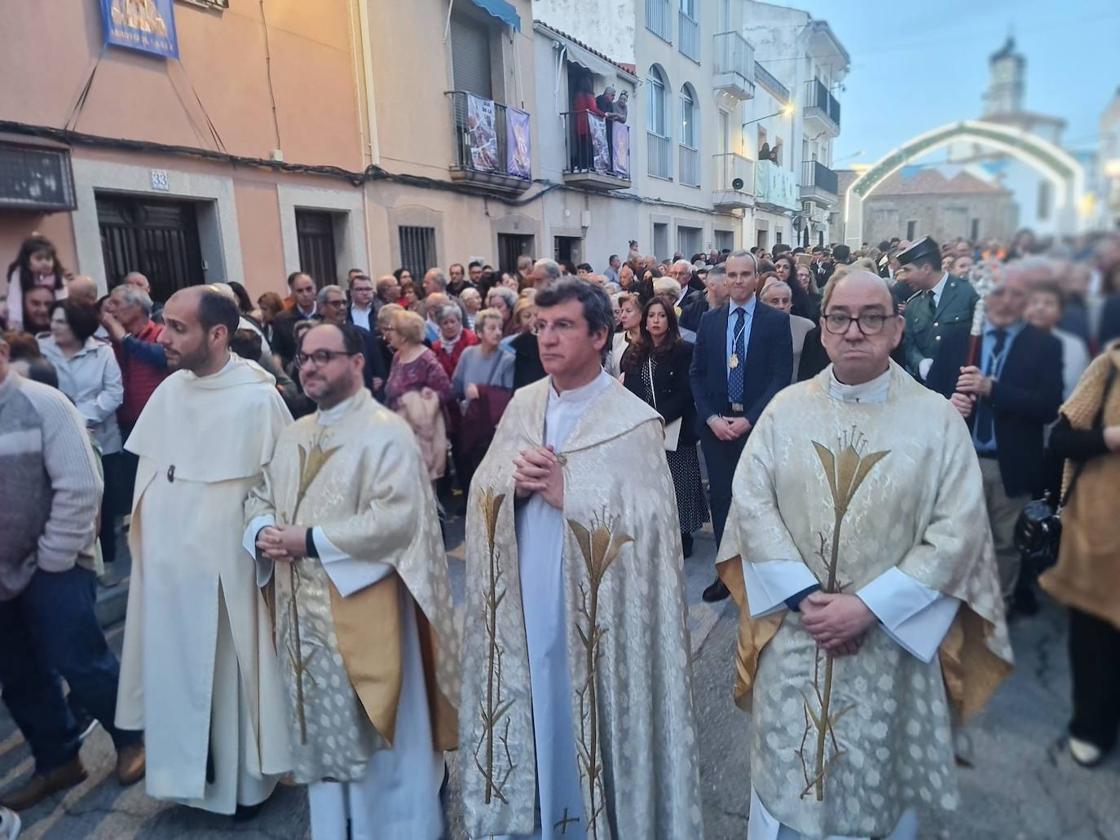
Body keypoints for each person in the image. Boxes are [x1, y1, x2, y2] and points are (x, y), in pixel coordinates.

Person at [715, 270, 1012, 840]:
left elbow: (959, 532)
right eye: (840, 318)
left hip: (887, 645)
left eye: (871, 317)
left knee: (874, 802)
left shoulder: (937, 422)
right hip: (798, 638)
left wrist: (870, 608)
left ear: (897, 328)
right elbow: (751, 505)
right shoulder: (783, 412)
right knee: (787, 798)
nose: (855, 331)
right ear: (822, 331)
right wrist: (806, 600)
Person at [459, 278, 702, 839]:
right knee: (537, 703)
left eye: (563, 326)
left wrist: (572, 496)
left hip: (598, 620)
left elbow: (653, 530)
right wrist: (508, 488)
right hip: (527, 598)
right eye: (540, 326)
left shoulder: (633, 421)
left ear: (601, 335)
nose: (547, 338)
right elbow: (483, 489)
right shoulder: (524, 404)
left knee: (580, 708)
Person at [243, 322, 459, 840]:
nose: (310, 366)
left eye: (324, 355)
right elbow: (260, 493)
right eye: (303, 356)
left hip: (368, 610)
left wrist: (310, 541)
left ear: (358, 363)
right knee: (324, 733)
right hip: (306, 619)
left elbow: (399, 520)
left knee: (380, 738)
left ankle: (396, 828)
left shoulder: (387, 432)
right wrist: (262, 530)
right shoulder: (294, 432)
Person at [115, 286, 292, 817]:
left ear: (217, 334)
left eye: (177, 328)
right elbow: (150, 480)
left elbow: (282, 493)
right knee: (176, 677)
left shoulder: (259, 399)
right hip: (169, 577)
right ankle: (183, 784)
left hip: (225, 580)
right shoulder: (170, 393)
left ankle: (241, 790)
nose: (163, 338)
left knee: (226, 684)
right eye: (164, 324)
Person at [0, 333, 145, 813]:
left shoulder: (44, 404)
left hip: (54, 563)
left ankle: (130, 738)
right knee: (19, 674)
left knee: (81, 659)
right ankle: (57, 760)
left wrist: (53, 558)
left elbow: (82, 486)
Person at [936, 266, 1063, 609]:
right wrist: (947, 403)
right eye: (1000, 293)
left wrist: (993, 389)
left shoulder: (1045, 345)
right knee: (955, 539)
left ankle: (996, 610)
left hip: (1010, 463)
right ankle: (951, 608)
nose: (1007, 302)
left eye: (1017, 295)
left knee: (1005, 544)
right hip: (961, 458)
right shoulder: (956, 338)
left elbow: (1049, 407)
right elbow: (927, 393)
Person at [690, 250, 793, 602]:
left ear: (755, 278)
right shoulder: (711, 321)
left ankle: (760, 572)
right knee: (722, 501)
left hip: (757, 427)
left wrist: (749, 419)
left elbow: (780, 377)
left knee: (760, 500)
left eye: (745, 274)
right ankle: (727, 572)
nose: (737, 281)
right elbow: (696, 375)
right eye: (731, 275)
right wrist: (712, 419)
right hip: (717, 429)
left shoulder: (775, 322)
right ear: (722, 280)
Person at [1041, 345, 1120, 767]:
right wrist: (1108, 437)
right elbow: (1060, 439)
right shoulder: (1108, 368)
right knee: (1094, 639)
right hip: (1097, 536)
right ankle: (1092, 726)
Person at [39, 300, 126, 566]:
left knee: (103, 502)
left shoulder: (103, 353)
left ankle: (107, 561)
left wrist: (81, 416)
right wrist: (68, 419)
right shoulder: (41, 349)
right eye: (53, 320)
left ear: (77, 324)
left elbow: (114, 393)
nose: (54, 325)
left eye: (61, 321)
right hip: (56, 437)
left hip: (100, 436)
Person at [621, 297, 708, 557]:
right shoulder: (636, 352)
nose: (655, 321)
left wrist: (661, 418)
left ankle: (683, 534)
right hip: (644, 427)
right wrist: (642, 420)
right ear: (645, 321)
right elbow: (631, 389)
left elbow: (685, 391)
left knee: (678, 481)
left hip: (675, 428)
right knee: (650, 483)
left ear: (670, 320)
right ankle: (654, 529)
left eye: (661, 316)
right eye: (651, 316)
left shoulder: (683, 351)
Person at [897, 237, 978, 394]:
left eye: (907, 270)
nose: (904, 277)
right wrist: (919, 363)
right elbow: (909, 344)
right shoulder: (913, 304)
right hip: (926, 389)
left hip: (961, 389)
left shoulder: (967, 293)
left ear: (926, 268)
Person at [384, 310, 453, 480]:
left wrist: (428, 395)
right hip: (399, 431)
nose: (386, 333)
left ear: (404, 335)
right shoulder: (398, 356)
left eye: (391, 329)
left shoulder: (426, 359)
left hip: (422, 436)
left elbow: (447, 391)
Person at [1025, 282, 1091, 399]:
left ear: (1060, 313)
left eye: (1049, 303)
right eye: (1033, 302)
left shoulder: (1075, 345)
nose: (1040, 308)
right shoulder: (1009, 340)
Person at [315, 285, 385, 393]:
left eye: (344, 302)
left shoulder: (362, 335)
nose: (342, 307)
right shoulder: (312, 338)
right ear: (321, 308)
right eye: (335, 304)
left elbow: (379, 373)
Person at [3, 235, 67, 331]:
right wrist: (16, 326)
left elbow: (63, 300)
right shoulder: (19, 274)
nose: (44, 262)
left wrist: (62, 321)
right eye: (39, 259)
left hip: (50, 321)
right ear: (27, 262)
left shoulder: (58, 276)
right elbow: (14, 300)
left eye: (48, 259)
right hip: (23, 319)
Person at [760, 279, 816, 384]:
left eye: (785, 301)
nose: (781, 306)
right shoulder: (752, 327)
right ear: (763, 304)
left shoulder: (806, 327)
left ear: (791, 304)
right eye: (775, 301)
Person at [273, 272, 318, 366]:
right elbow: (277, 352)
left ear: (315, 289)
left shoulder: (326, 313)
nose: (305, 294)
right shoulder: (282, 319)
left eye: (309, 289)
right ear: (293, 293)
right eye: (300, 291)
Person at [432, 303, 479, 379]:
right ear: (439, 326)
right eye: (445, 323)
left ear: (459, 322)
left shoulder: (471, 339)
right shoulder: (436, 346)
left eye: (452, 321)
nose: (450, 326)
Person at [610, 292, 642, 375]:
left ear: (642, 313)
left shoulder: (652, 340)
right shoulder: (616, 339)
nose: (623, 316)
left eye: (628, 311)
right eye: (622, 311)